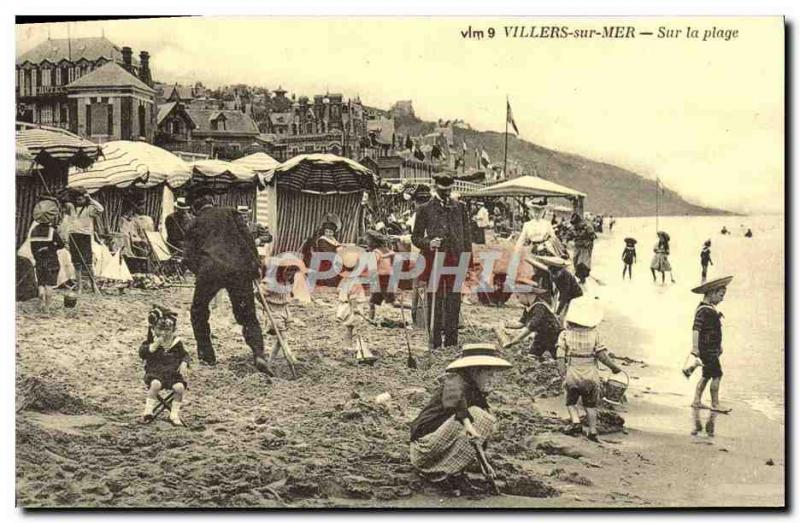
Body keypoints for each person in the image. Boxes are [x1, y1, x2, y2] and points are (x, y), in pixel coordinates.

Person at [183, 188, 272, 374]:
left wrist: (201, 271)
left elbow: (189, 258)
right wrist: (254, 265)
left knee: (198, 310)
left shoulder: (194, 223)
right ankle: (258, 354)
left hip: (211, 270)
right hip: (240, 271)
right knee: (247, 315)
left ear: (194, 208)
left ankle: (207, 355)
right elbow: (247, 240)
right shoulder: (231, 213)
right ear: (212, 201)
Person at [409, 344, 512, 493]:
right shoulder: (455, 380)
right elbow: (458, 404)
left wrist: (484, 463)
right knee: (480, 417)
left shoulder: (475, 389)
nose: (491, 378)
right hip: (424, 447)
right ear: (476, 371)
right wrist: (469, 426)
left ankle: (453, 473)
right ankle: (440, 474)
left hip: (437, 443)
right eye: (489, 374)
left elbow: (476, 439)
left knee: (484, 418)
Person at [412, 174, 473, 350]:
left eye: (449, 190)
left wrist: (467, 263)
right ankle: (436, 342)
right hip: (435, 260)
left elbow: (467, 237)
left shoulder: (460, 208)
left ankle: (452, 343)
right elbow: (415, 237)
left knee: (454, 301)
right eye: (443, 190)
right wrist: (429, 243)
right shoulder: (424, 209)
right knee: (436, 300)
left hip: (456, 259)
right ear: (435, 186)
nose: (447, 193)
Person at [556, 297, 623, 441]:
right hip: (591, 374)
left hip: (573, 373)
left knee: (571, 402)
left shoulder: (564, 335)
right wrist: (614, 368)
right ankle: (592, 431)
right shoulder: (595, 335)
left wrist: (563, 375)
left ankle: (575, 423)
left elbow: (560, 357)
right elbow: (602, 355)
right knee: (590, 406)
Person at [683, 276, 733, 413]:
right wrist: (695, 348)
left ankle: (697, 401)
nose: (722, 299)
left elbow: (714, 331)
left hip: (710, 349)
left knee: (706, 375)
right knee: (717, 374)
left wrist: (719, 347)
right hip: (707, 350)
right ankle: (715, 404)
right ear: (712, 293)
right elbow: (696, 329)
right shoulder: (704, 310)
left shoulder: (708, 308)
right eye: (721, 295)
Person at [139, 308, 190, 426]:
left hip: (172, 375)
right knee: (155, 384)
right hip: (155, 373)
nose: (164, 333)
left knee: (179, 388)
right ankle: (148, 410)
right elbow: (143, 353)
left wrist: (184, 363)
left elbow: (185, 355)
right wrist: (155, 345)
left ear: (173, 330)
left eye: (168, 330)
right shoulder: (150, 343)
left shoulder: (176, 343)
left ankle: (174, 414)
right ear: (153, 329)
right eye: (160, 330)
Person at [503, 282, 562, 360]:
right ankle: (540, 363)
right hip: (541, 336)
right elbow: (521, 323)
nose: (518, 300)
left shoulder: (540, 307)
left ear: (526, 294)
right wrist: (509, 325)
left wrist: (516, 340)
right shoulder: (529, 307)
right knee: (532, 355)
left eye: (518, 297)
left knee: (558, 356)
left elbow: (532, 326)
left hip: (554, 335)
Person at [62, 188, 104, 294]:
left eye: (81, 199)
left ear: (85, 199)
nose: (79, 201)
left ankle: (94, 285)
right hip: (73, 236)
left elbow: (101, 209)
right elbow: (63, 201)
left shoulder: (89, 209)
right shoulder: (71, 208)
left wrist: (90, 198)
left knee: (88, 263)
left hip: (85, 236)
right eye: (77, 199)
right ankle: (79, 287)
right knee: (77, 263)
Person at [28, 211, 66, 314]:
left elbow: (32, 248)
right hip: (51, 260)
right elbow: (62, 245)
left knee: (41, 283)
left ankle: (41, 300)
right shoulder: (51, 231)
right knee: (49, 284)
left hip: (40, 260)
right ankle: (47, 308)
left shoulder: (33, 231)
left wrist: (37, 257)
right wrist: (52, 247)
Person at [536, 255, 583, 322]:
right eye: (552, 274)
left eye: (556, 274)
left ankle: (561, 320)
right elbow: (551, 286)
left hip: (574, 294)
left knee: (565, 310)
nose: (554, 276)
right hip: (561, 290)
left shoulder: (566, 276)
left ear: (561, 271)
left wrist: (557, 312)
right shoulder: (551, 272)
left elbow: (565, 295)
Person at [365, 229, 396, 321]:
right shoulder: (386, 250)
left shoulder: (375, 253)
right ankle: (410, 308)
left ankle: (371, 317)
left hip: (381, 278)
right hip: (388, 277)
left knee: (374, 301)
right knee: (384, 300)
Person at [570, 213, 596, 285]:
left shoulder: (587, 226)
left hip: (585, 247)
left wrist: (588, 243)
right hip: (577, 246)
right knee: (575, 260)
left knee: (582, 263)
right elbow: (570, 235)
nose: (575, 225)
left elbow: (593, 236)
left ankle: (582, 279)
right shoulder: (574, 226)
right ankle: (580, 278)